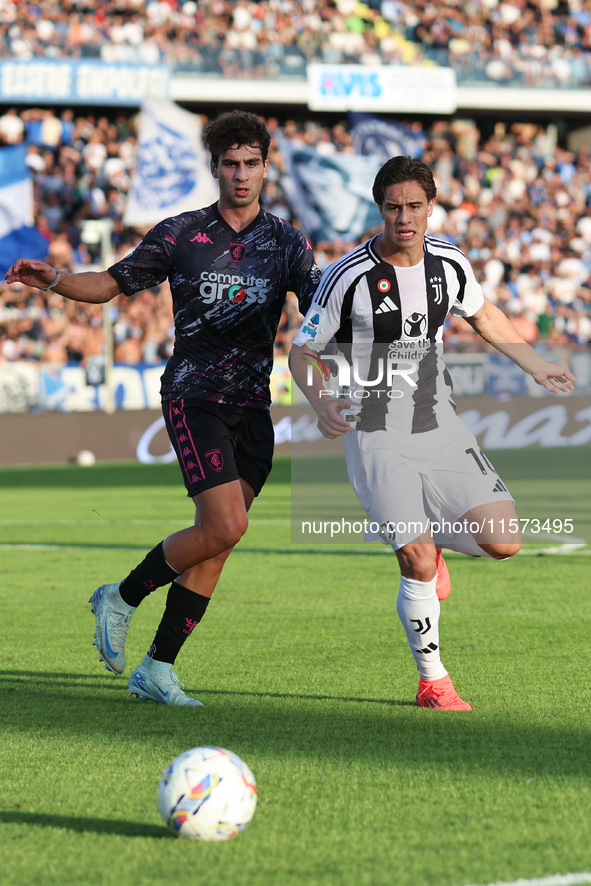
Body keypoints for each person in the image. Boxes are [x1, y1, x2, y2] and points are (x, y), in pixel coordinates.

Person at [5, 110, 321, 706]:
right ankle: (121, 596)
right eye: (231, 164)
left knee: (218, 539)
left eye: (252, 163)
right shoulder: (180, 234)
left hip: (253, 407)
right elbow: (111, 283)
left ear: (265, 165)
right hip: (193, 396)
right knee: (227, 524)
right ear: (215, 167)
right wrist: (54, 280)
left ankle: (157, 668)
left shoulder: (286, 242)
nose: (242, 174)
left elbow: (322, 307)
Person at [289, 155, 575, 711]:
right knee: (415, 560)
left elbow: (485, 315)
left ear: (430, 206)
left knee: (504, 542)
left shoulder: (449, 263)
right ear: (380, 209)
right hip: (375, 431)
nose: (404, 217)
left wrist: (534, 364)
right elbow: (302, 350)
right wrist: (322, 401)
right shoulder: (346, 277)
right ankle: (433, 680)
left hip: (439, 421)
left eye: (414, 206)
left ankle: (436, 541)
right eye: (393, 207)